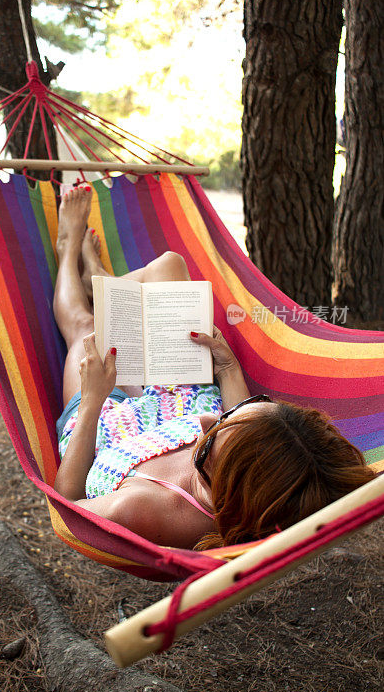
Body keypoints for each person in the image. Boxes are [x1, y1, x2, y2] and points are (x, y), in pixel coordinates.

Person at [52, 186, 375, 550]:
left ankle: (67, 251)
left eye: (207, 449)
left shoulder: (141, 508)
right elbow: (230, 424)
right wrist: (228, 369)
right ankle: (98, 278)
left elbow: (70, 504)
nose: (208, 422)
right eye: (232, 416)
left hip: (107, 424)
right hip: (179, 402)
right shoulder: (269, 469)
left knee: (83, 329)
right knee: (169, 265)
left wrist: (93, 400)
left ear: (230, 487)